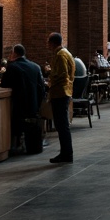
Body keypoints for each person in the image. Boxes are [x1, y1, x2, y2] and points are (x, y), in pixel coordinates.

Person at [0, 43, 45, 154]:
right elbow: (42, 88)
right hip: (34, 106)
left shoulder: (12, 67)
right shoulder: (36, 66)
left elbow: (4, 86)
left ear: (14, 53)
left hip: (18, 107)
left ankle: (13, 144)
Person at [47, 32, 75, 163]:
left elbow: (63, 74)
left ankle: (66, 154)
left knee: (61, 125)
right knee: (62, 125)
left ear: (52, 43)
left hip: (60, 93)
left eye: (48, 42)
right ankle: (65, 152)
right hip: (65, 92)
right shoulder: (66, 53)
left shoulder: (60, 55)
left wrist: (50, 82)